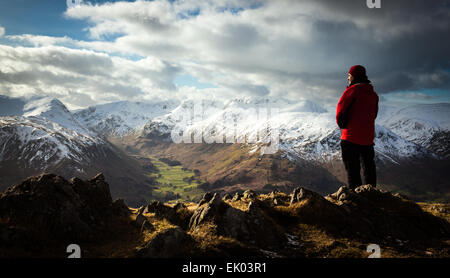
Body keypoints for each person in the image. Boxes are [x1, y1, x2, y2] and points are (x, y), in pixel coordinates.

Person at [336, 65, 379, 190]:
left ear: (354, 76)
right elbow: (374, 114)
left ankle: (356, 198)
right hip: (367, 138)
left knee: (352, 169)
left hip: (350, 137)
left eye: (349, 76)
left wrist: (343, 126)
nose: (348, 79)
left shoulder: (352, 91)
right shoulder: (373, 95)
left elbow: (340, 111)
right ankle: (371, 194)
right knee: (369, 168)